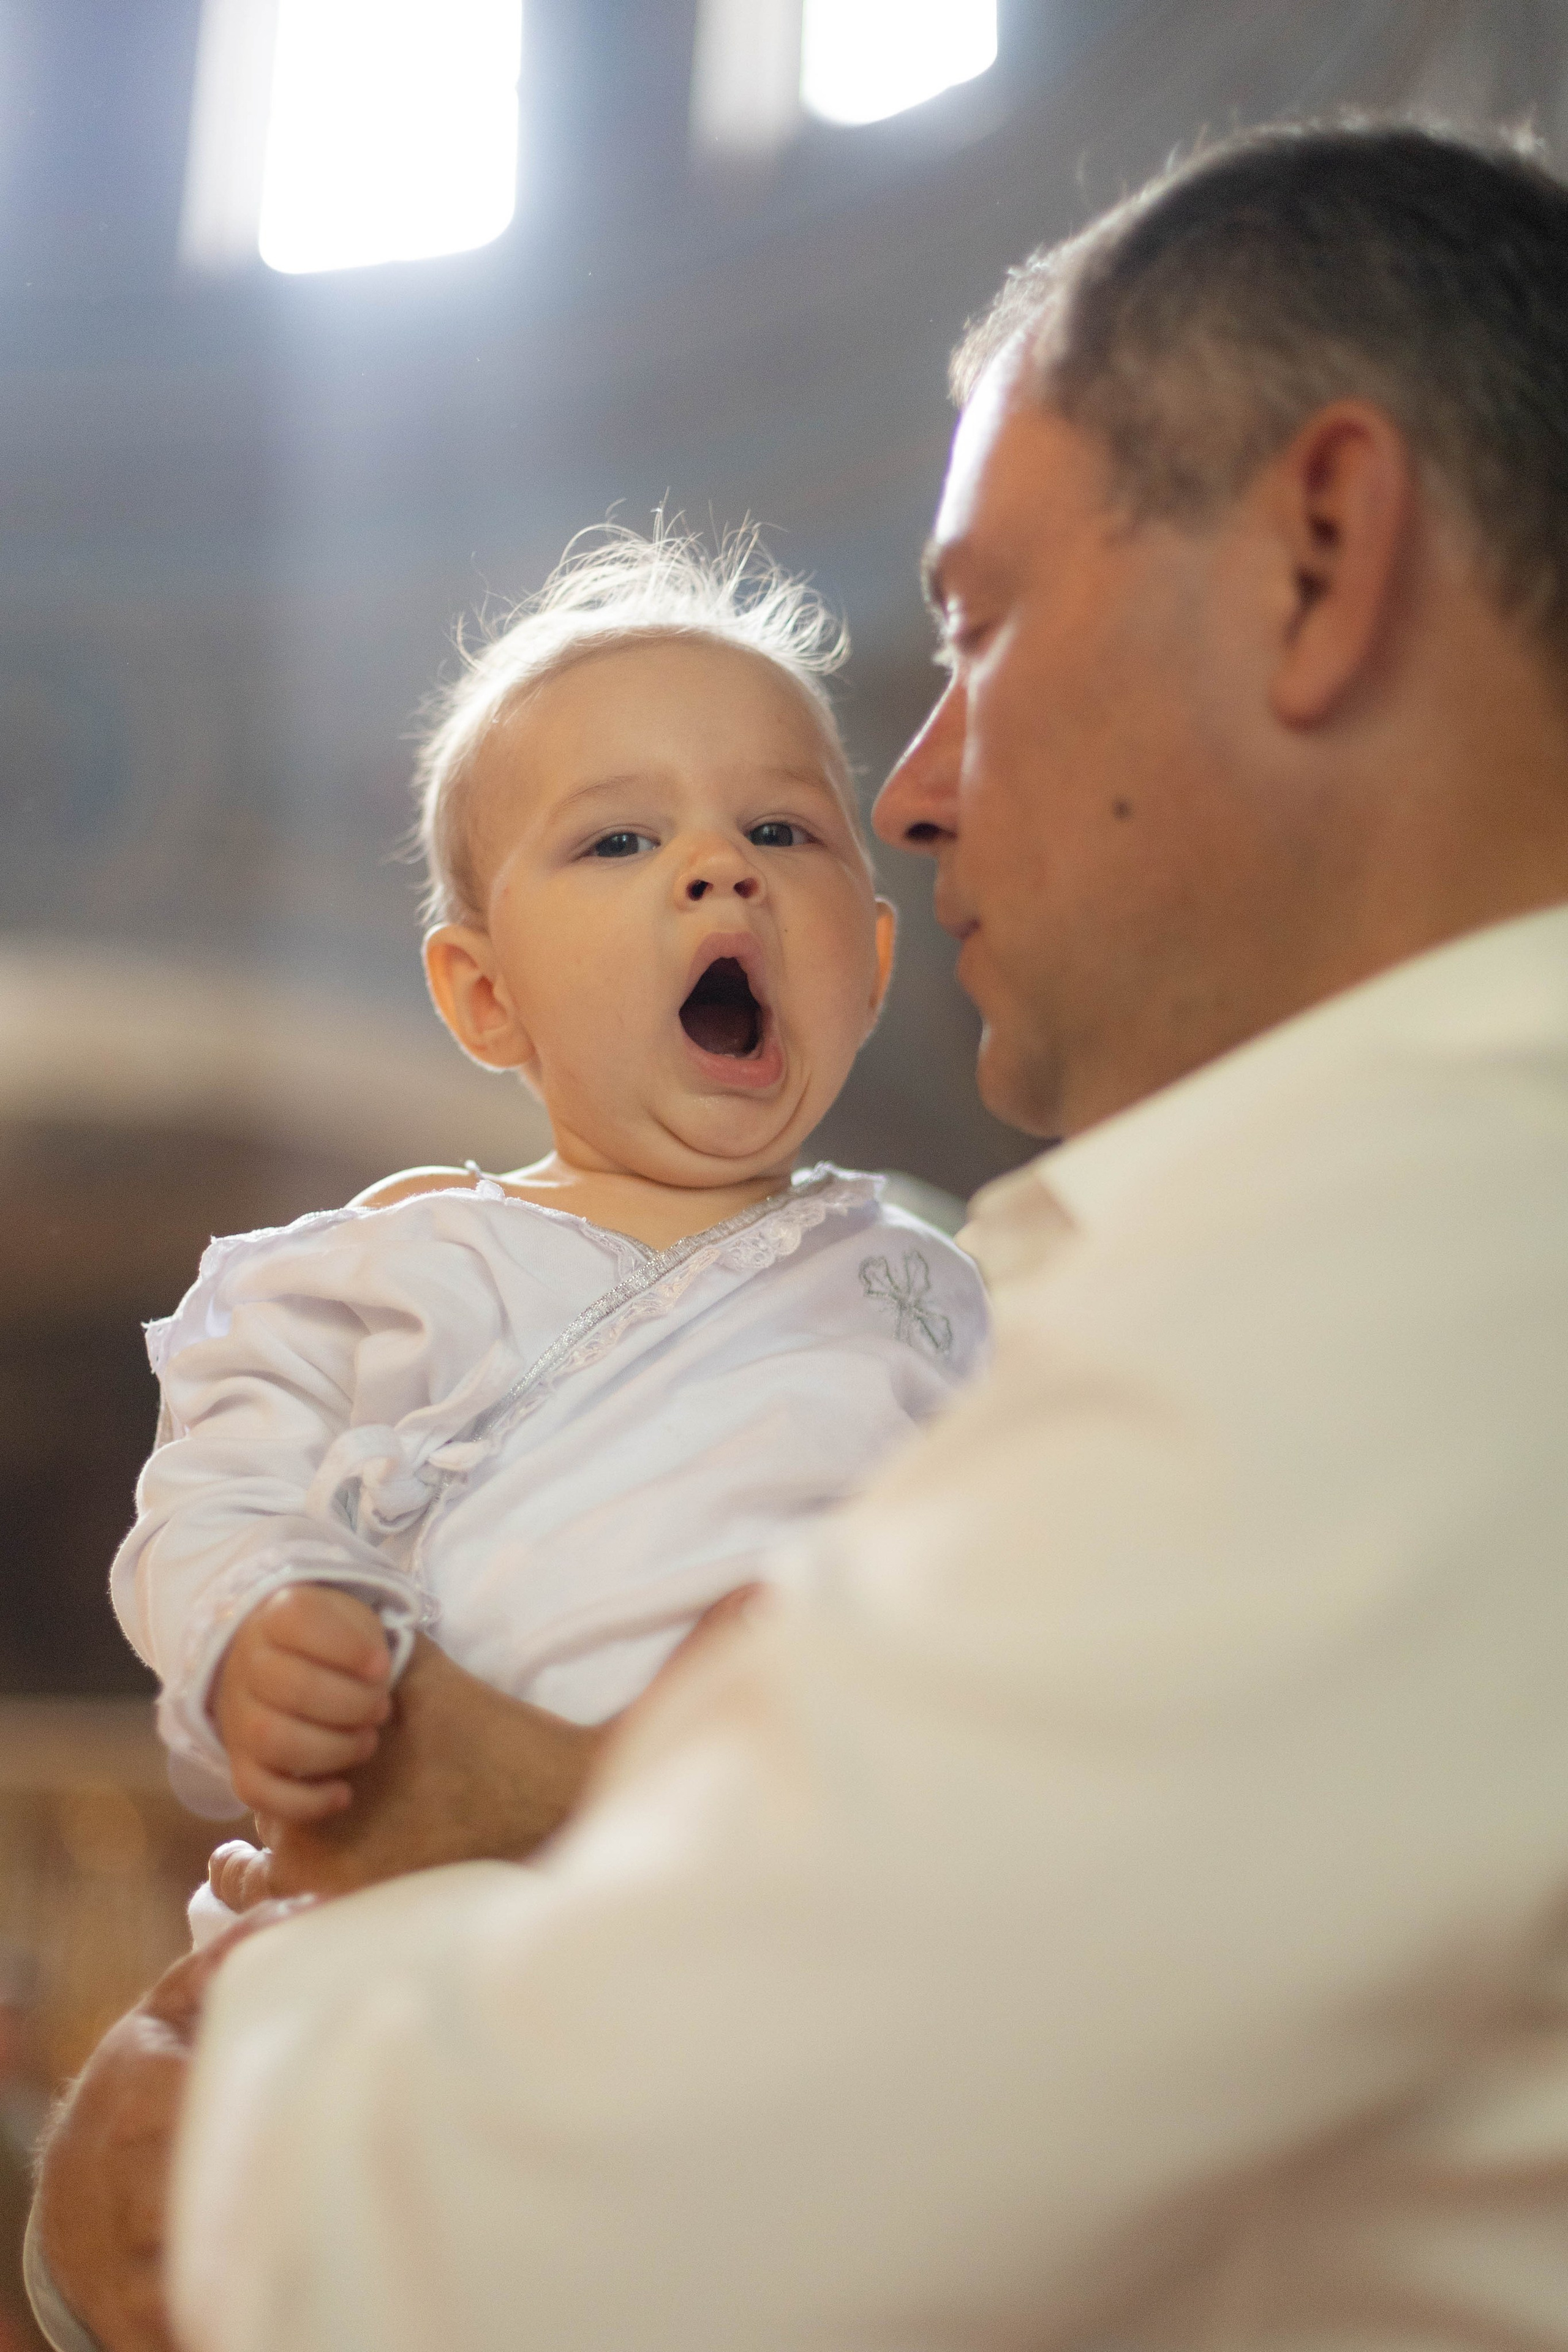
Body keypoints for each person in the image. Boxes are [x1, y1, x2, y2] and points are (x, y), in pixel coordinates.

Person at [32, 116, 1568, 2351]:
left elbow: (551, 2222)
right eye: (619, 840)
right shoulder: (1317, 1264)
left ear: (1321, 556)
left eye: (980, 628)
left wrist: (173, 2171)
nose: (922, 784)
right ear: (474, 991)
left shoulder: (1369, 1294)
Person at [106, 525, 987, 1921]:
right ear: (482, 996)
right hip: (433, 1910)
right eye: (619, 838)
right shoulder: (383, 1269)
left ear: (871, 963)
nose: (719, 867)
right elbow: (213, 1498)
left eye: (779, 829)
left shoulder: (943, 1287)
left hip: (817, 1893)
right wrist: (261, 1624)